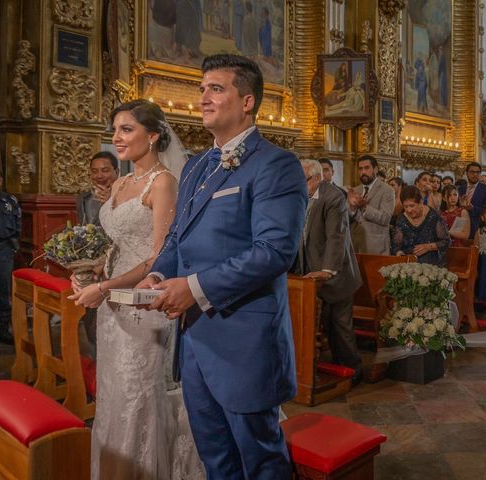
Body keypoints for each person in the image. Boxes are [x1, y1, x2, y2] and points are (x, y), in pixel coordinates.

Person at [139, 54, 307, 479]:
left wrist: (192, 287)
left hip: (244, 340)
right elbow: (178, 236)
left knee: (261, 461)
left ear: (247, 101)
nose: (203, 98)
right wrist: (158, 273)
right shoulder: (197, 165)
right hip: (195, 339)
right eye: (202, 89)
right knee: (215, 458)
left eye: (216, 88)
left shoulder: (275, 164)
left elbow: (273, 251)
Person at [68, 99, 203, 479]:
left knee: (138, 397)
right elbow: (112, 247)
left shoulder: (163, 183)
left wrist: (106, 286)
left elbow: (160, 257)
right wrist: (87, 271)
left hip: (144, 308)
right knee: (113, 395)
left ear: (154, 135)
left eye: (127, 129)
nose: (117, 137)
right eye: (115, 130)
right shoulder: (122, 183)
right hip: (111, 307)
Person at [294, 160, 362, 383]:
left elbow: (336, 236)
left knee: (341, 327)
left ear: (316, 178)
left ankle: (353, 372)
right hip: (309, 276)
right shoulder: (299, 195)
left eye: (302, 180)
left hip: (336, 273)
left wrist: (327, 270)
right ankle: (323, 370)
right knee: (320, 325)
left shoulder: (333, 197)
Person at [75, 151, 119, 357]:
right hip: (89, 266)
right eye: (95, 171)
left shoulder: (127, 196)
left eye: (105, 170)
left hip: (116, 265)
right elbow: (83, 230)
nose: (100, 175)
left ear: (116, 172)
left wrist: (112, 202)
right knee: (90, 315)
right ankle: (96, 360)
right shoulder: (83, 198)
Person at [0, 169, 20, 344]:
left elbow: (17, 225)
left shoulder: (10, 201)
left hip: (2, 252)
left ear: (1, 181)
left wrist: (11, 249)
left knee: (4, 294)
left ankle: (3, 331)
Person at [392, 185, 450, 266]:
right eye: (406, 206)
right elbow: (396, 246)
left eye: (412, 206)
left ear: (421, 202)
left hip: (433, 265)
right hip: (409, 265)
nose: (409, 210)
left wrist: (428, 247)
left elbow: (446, 242)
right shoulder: (401, 219)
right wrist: (398, 252)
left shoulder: (433, 216)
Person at [348, 154, 395, 255]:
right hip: (355, 244)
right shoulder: (355, 190)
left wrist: (364, 207)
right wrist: (351, 208)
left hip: (376, 247)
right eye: (360, 169)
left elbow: (385, 218)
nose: (363, 172)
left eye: (367, 168)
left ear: (376, 169)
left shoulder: (387, 190)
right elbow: (348, 219)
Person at [457, 162, 486, 238]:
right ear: (467, 173)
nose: (475, 174)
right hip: (461, 226)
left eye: (477, 172)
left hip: (478, 226)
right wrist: (460, 205)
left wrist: (473, 208)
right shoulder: (460, 189)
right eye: (472, 172)